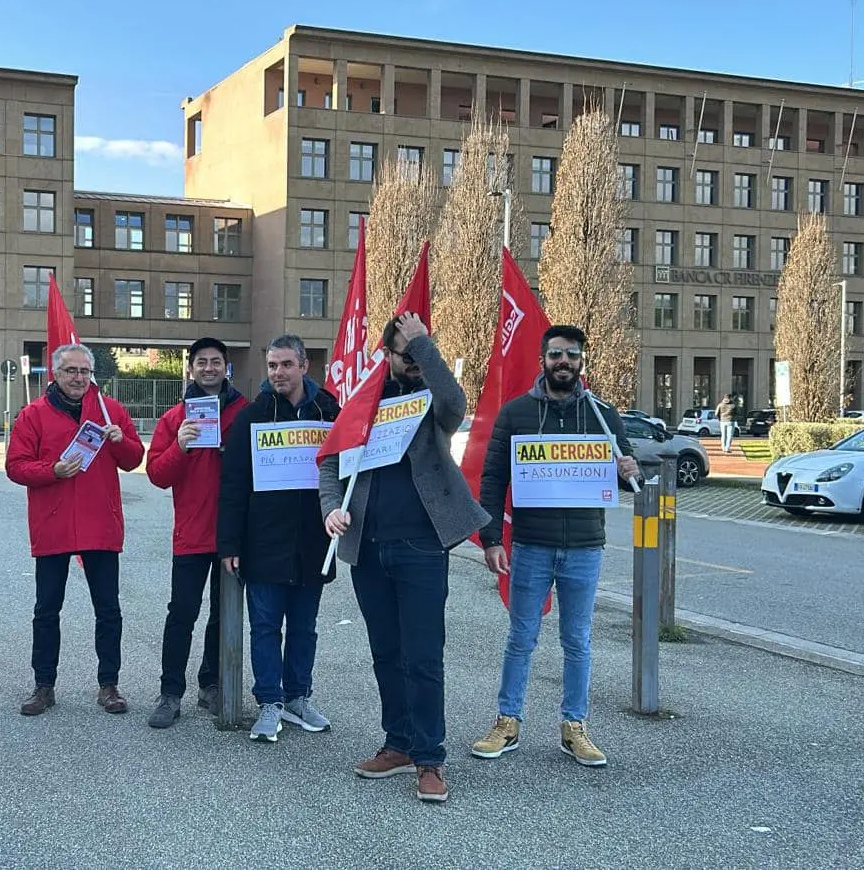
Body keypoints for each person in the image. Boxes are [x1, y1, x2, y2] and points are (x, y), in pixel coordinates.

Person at [319, 312, 489, 803]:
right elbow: (331, 462)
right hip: (368, 548)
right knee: (386, 654)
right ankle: (398, 744)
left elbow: (456, 403)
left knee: (423, 656)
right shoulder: (363, 404)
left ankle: (430, 757)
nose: (413, 363)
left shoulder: (432, 402)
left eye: (419, 355)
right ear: (386, 356)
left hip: (422, 546)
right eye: (404, 355)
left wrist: (424, 345)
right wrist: (332, 510)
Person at [472, 324, 638, 771]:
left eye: (571, 355)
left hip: (585, 546)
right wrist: (490, 537)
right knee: (521, 638)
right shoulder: (516, 413)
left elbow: (629, 478)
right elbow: (492, 478)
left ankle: (574, 727)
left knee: (577, 640)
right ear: (543, 360)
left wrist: (627, 466)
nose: (563, 362)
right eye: (555, 355)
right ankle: (507, 721)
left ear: (582, 361)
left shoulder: (603, 414)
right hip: (531, 545)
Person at [4, 344, 145, 716]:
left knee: (108, 610)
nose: (79, 378)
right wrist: (53, 471)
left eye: (85, 371)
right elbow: (16, 466)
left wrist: (121, 440)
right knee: (47, 610)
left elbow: (134, 461)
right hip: (54, 523)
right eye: (71, 371)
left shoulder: (108, 410)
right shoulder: (33, 414)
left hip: (100, 523)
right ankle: (44, 685)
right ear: (56, 373)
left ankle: (109, 685)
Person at [216, 334, 340, 744]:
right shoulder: (252, 418)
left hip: (312, 542)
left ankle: (297, 698)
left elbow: (346, 471)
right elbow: (232, 485)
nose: (278, 373)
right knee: (265, 626)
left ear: (305, 366)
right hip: (264, 541)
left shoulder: (328, 412)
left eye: (286, 364)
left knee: (305, 628)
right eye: (272, 366)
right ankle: (269, 701)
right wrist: (230, 545)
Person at [144, 337, 248, 729]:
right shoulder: (175, 418)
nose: (209, 368)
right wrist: (180, 448)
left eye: (216, 361)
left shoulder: (245, 412)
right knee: (182, 615)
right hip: (190, 533)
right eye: (201, 362)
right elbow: (156, 475)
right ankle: (171, 692)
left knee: (224, 617)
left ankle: (212, 684)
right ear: (190, 368)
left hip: (232, 536)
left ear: (227, 367)